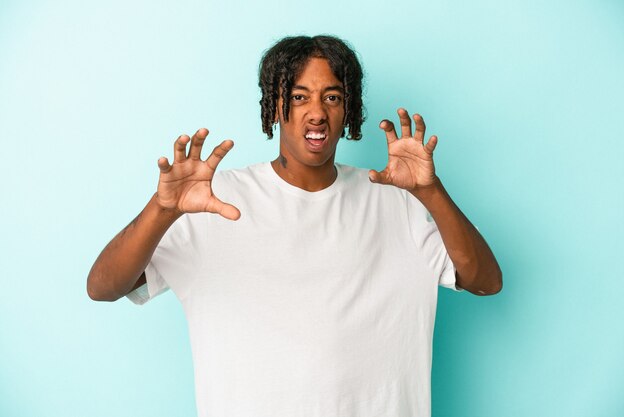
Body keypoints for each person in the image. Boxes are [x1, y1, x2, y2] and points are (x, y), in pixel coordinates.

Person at [87, 35, 502, 417]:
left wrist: (431, 191)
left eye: (332, 97)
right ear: (274, 106)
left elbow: (485, 280)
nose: (317, 113)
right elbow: (103, 287)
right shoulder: (214, 199)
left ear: (349, 108)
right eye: (299, 96)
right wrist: (162, 210)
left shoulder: (393, 200)